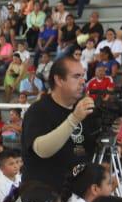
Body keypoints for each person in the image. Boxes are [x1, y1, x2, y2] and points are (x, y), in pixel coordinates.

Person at [20, 58, 95, 191]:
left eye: (83, 76)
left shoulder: (84, 110)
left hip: (75, 197)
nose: (83, 81)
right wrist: (73, 119)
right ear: (59, 80)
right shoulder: (38, 110)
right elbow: (41, 149)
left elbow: (89, 151)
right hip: (41, 198)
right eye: (76, 76)